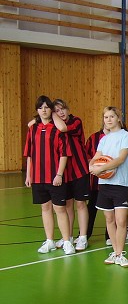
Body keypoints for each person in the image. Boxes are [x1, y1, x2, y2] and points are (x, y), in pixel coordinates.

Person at [24, 96, 74, 255]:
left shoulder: (58, 130)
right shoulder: (32, 129)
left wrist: (59, 174)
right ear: (37, 110)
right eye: (41, 107)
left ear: (50, 110)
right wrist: (28, 174)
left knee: (60, 208)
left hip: (55, 177)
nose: (44, 110)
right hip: (38, 177)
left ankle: (67, 241)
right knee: (45, 208)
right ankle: (50, 241)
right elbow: (29, 154)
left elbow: (64, 154)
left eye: (46, 107)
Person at [89, 106, 128, 267]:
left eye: (111, 116)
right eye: (105, 117)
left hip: (120, 184)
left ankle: (121, 253)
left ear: (118, 118)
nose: (108, 120)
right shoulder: (103, 139)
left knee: (121, 220)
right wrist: (91, 166)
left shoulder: (126, 136)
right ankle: (116, 252)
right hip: (104, 184)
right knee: (109, 219)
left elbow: (121, 159)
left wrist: (101, 168)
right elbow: (96, 158)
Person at [53, 99, 91, 251]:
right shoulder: (54, 126)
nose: (61, 112)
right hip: (65, 172)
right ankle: (67, 236)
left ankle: (83, 237)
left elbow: (63, 128)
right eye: (57, 110)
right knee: (68, 205)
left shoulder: (75, 121)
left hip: (80, 169)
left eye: (63, 109)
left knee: (81, 204)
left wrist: (53, 115)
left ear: (68, 110)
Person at [85, 122, 109, 241]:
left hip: (111, 180)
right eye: (106, 118)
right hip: (95, 181)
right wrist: (97, 165)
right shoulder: (93, 138)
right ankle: (84, 234)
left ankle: (109, 236)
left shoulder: (119, 138)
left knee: (111, 209)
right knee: (91, 208)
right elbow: (88, 156)